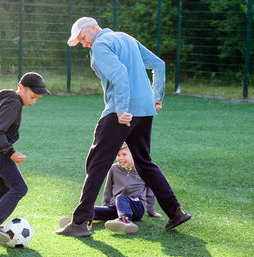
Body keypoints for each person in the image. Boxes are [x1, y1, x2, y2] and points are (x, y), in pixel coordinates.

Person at [56, 17, 191, 237]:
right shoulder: (126, 38)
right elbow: (158, 64)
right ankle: (176, 211)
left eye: (82, 38)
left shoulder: (100, 44)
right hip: (145, 110)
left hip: (122, 112)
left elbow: (119, 74)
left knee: (96, 163)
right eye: (80, 42)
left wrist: (121, 109)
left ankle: (80, 222)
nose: (83, 43)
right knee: (144, 162)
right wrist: (156, 96)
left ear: (93, 28)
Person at [0, 72, 50, 243]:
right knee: (19, 187)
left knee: (5, 188)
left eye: (37, 98)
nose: (33, 101)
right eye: (32, 96)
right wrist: (10, 152)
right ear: (21, 88)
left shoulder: (3, 99)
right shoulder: (14, 103)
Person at [59, 143, 162, 234]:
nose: (121, 158)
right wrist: (105, 209)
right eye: (118, 155)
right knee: (93, 209)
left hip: (137, 207)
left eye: (124, 155)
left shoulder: (143, 170)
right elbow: (107, 190)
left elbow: (150, 192)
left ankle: (125, 221)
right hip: (117, 207)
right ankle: (82, 221)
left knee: (120, 197)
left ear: (134, 155)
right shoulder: (114, 169)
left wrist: (151, 211)